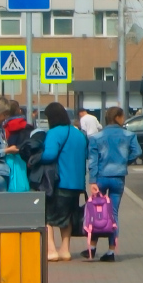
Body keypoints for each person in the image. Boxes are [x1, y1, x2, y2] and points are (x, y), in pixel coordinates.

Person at [85, 106, 140, 261]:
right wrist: (124, 163)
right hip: (118, 178)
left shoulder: (96, 137)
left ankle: (93, 247)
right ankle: (110, 251)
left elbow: (93, 161)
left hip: (101, 177)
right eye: (122, 117)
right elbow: (137, 152)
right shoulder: (129, 135)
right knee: (113, 213)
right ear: (117, 117)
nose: (124, 119)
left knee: (96, 212)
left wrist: (92, 181)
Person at [39, 102, 89, 262]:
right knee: (67, 217)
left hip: (59, 183)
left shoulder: (54, 133)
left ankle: (51, 250)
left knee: (47, 217)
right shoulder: (78, 134)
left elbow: (50, 155)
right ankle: (65, 250)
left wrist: (35, 157)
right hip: (77, 184)